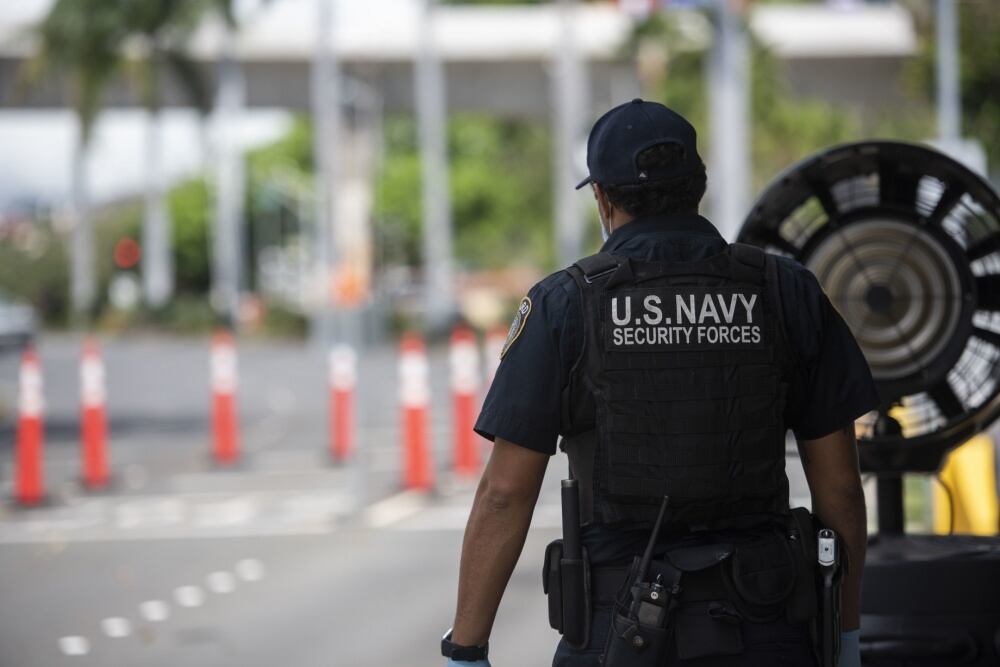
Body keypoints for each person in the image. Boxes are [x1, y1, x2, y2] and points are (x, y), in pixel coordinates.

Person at [440, 99, 875, 667]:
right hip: (766, 623)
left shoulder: (566, 303)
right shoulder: (785, 291)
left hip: (619, 630)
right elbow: (839, 487)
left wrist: (466, 649)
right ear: (699, 187)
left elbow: (505, 493)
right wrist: (842, 637)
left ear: (602, 197)